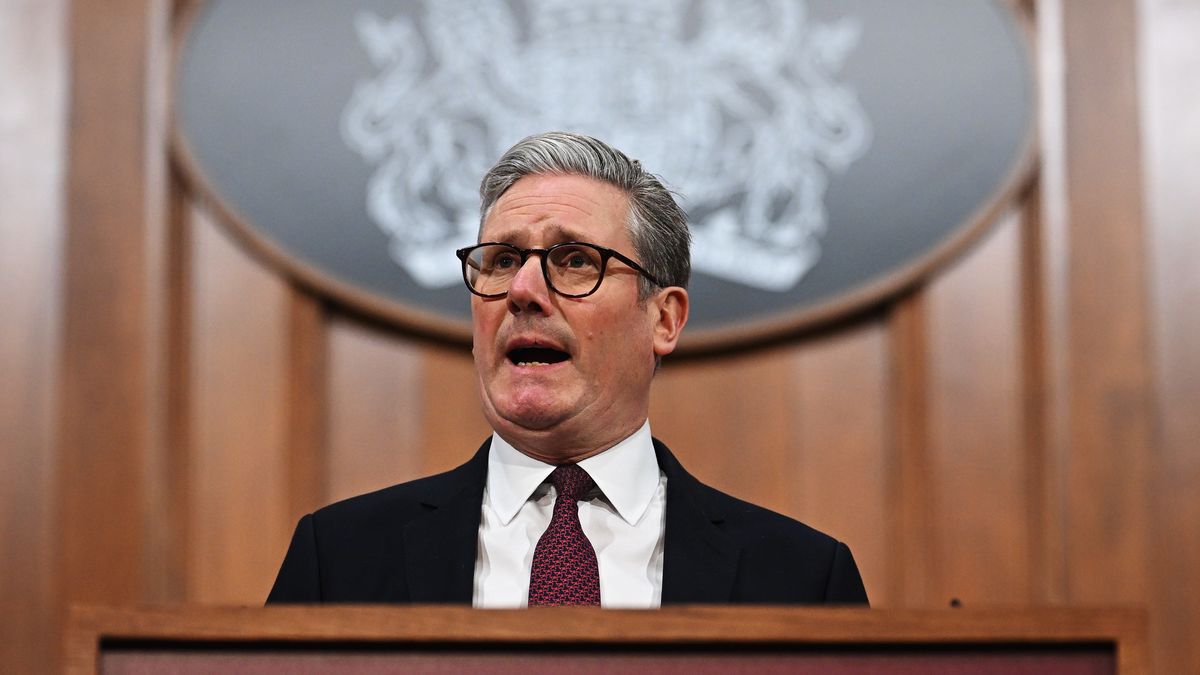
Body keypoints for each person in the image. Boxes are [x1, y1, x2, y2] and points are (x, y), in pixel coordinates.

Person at [267, 131, 868, 607]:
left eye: (575, 260)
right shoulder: (337, 560)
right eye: (501, 260)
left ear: (664, 319)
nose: (523, 290)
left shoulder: (803, 578)